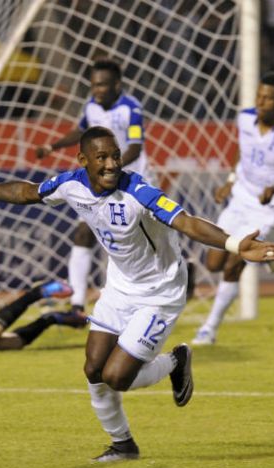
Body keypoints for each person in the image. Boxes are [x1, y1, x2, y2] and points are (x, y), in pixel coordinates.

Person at [0, 126, 274, 462]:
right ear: (83, 160)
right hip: (120, 287)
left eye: (116, 156)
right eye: (102, 157)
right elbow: (27, 192)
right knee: (93, 368)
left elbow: (187, 222)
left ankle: (174, 361)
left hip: (160, 292)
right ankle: (122, 445)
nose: (111, 164)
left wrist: (234, 245)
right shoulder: (69, 184)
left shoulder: (139, 192)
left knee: (117, 377)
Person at [192, 71, 274, 346]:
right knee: (213, 263)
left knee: (234, 265)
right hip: (239, 199)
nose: (261, 102)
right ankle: (269, 252)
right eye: (259, 96)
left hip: (268, 209)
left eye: (268, 98)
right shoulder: (245, 118)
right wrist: (230, 180)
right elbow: (242, 149)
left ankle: (209, 329)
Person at [34, 58, 157, 314]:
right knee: (83, 233)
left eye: (102, 85)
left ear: (116, 84)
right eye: (93, 85)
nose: (97, 90)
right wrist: (52, 146)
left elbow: (135, 146)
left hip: (130, 183)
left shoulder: (131, 108)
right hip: (101, 182)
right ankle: (77, 303)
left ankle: (169, 277)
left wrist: (114, 167)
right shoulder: (91, 107)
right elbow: (81, 132)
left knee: (145, 242)